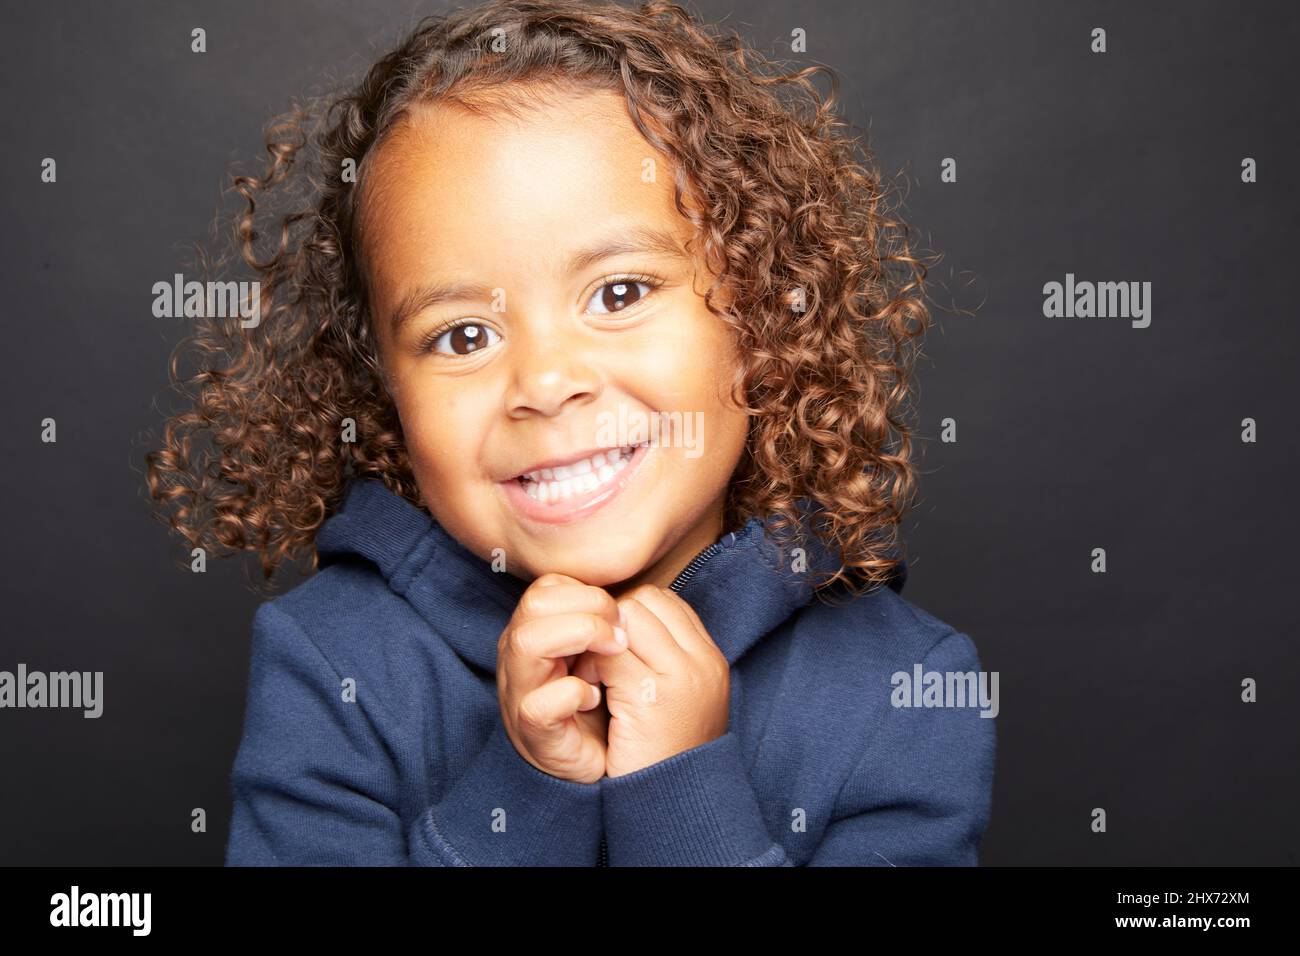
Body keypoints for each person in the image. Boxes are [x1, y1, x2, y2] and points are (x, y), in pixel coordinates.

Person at [146, 0, 995, 866]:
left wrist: (681, 791)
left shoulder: (907, 688)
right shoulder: (331, 668)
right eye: (463, 335)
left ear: (763, 307)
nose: (546, 384)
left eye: (620, 293)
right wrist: (523, 791)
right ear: (385, 392)